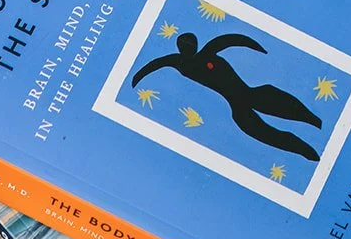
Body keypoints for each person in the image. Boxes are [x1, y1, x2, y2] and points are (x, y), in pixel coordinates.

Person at [132, 32, 323, 162]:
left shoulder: (206, 52)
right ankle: (308, 151)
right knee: (267, 133)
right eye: (184, 45)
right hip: (237, 104)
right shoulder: (179, 62)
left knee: (288, 109)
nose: (188, 48)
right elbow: (156, 64)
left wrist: (256, 47)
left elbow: (230, 40)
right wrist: (137, 77)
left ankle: (314, 123)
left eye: (190, 44)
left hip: (249, 93)